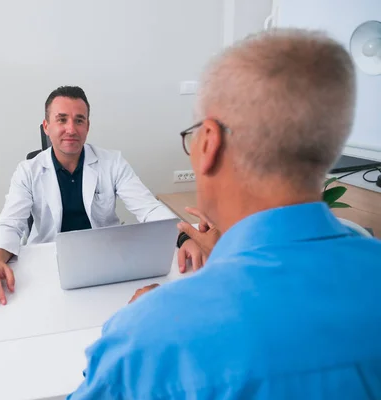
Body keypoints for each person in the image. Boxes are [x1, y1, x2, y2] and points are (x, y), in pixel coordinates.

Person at [68, 29, 381, 399]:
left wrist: (138, 321)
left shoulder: (148, 338)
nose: (70, 129)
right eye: (61, 120)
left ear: (210, 142)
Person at [0, 86, 203, 310]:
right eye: (61, 119)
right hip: (49, 262)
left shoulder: (112, 163)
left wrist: (184, 237)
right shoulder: (28, 171)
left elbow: (148, 208)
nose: (71, 129)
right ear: (46, 126)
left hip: (107, 260)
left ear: (87, 126)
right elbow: (10, 223)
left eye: (78, 120)